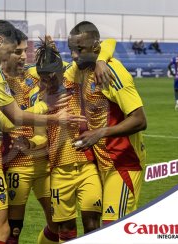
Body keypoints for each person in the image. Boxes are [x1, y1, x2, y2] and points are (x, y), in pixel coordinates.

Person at [0, 20, 85, 244]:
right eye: (13, 51)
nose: (14, 56)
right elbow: (14, 118)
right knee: (0, 232)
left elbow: (4, 121)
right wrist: (53, 116)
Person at [66, 21, 147, 226]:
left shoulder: (113, 73)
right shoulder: (81, 69)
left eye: (80, 49)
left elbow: (139, 120)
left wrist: (100, 133)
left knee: (112, 228)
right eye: (71, 50)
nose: (74, 55)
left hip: (123, 163)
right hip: (100, 164)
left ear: (95, 46)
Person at [35, 37, 103, 242]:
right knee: (65, 228)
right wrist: (32, 143)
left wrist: (100, 61)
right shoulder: (42, 97)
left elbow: (106, 44)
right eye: (43, 79)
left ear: (60, 71)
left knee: (92, 224)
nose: (47, 82)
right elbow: (39, 133)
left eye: (50, 77)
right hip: (58, 170)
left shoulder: (74, 78)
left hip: (87, 165)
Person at [0, 30, 59, 244]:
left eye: (25, 51)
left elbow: (56, 71)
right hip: (17, 165)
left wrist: (53, 53)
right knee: (13, 230)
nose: (24, 56)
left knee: (58, 224)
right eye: (17, 52)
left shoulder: (34, 76)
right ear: (4, 52)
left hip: (44, 163)